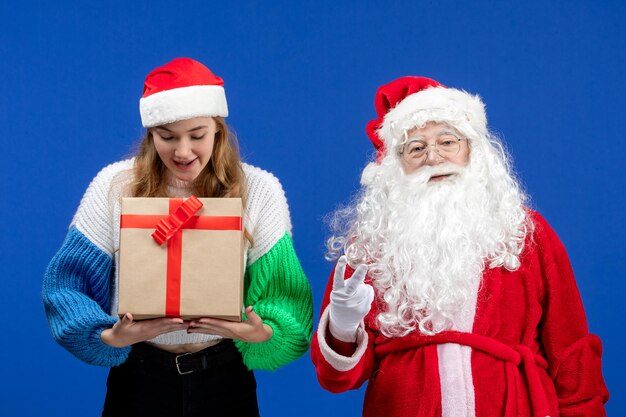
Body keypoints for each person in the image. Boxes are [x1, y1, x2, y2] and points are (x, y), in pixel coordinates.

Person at [311, 76, 608, 417]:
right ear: (396, 166)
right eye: (416, 148)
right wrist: (343, 327)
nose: (433, 157)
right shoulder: (373, 244)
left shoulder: (527, 232)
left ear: (473, 150)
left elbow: (571, 353)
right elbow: (337, 379)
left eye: (447, 141)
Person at [42, 57, 313, 417]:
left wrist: (262, 332)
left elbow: (286, 299)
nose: (182, 152)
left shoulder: (260, 190)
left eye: (197, 135)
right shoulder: (115, 185)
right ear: (150, 133)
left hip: (225, 380)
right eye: (167, 137)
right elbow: (65, 285)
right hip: (138, 379)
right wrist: (109, 337)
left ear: (218, 128)